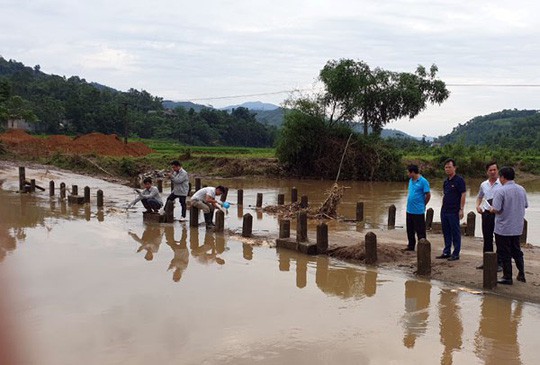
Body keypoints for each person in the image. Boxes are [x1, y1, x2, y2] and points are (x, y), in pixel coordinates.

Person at [490, 166, 528, 285]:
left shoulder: (500, 191)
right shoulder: (521, 189)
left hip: (503, 228)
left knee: (504, 252)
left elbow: (496, 208)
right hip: (517, 226)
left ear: (502, 177)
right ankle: (521, 273)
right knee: (517, 250)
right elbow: (525, 205)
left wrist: (490, 208)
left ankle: (507, 276)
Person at [436, 158, 466, 261]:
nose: (447, 169)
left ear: (455, 168)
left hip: (454, 210)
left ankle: (456, 253)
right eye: (446, 167)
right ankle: (446, 251)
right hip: (445, 210)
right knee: (446, 231)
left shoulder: (459, 180)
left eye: (449, 167)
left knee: (455, 232)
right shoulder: (446, 182)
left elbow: (463, 194)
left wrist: (461, 209)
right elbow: (445, 194)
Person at [475, 162, 502, 270]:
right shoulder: (483, 184)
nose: (492, 172)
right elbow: (479, 197)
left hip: (498, 213)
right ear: (487, 172)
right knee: (487, 237)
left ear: (498, 171)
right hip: (486, 213)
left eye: (494, 170)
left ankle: (499, 263)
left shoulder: (502, 183)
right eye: (490, 170)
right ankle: (487, 261)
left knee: (500, 238)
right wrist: (477, 206)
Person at [404, 164, 431, 251]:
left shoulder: (423, 181)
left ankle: (422, 247)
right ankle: (411, 246)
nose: (407, 174)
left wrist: (423, 204)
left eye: (408, 172)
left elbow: (428, 195)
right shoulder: (410, 181)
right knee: (410, 230)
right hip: (409, 209)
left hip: (418, 210)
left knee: (420, 230)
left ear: (412, 172)